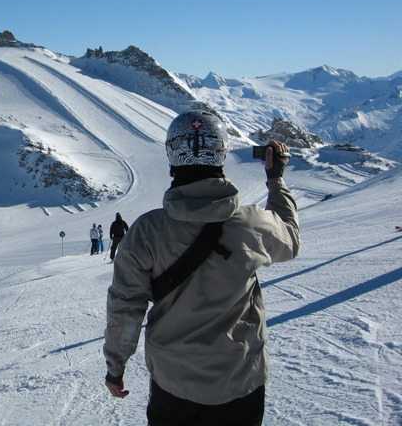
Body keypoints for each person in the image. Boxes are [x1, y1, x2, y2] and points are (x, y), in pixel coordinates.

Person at [103, 110, 299, 426]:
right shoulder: (252, 223)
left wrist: (116, 367)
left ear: (172, 154)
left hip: (173, 382)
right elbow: (290, 239)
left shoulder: (146, 231)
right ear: (221, 152)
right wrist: (276, 180)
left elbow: (125, 307)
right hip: (240, 379)